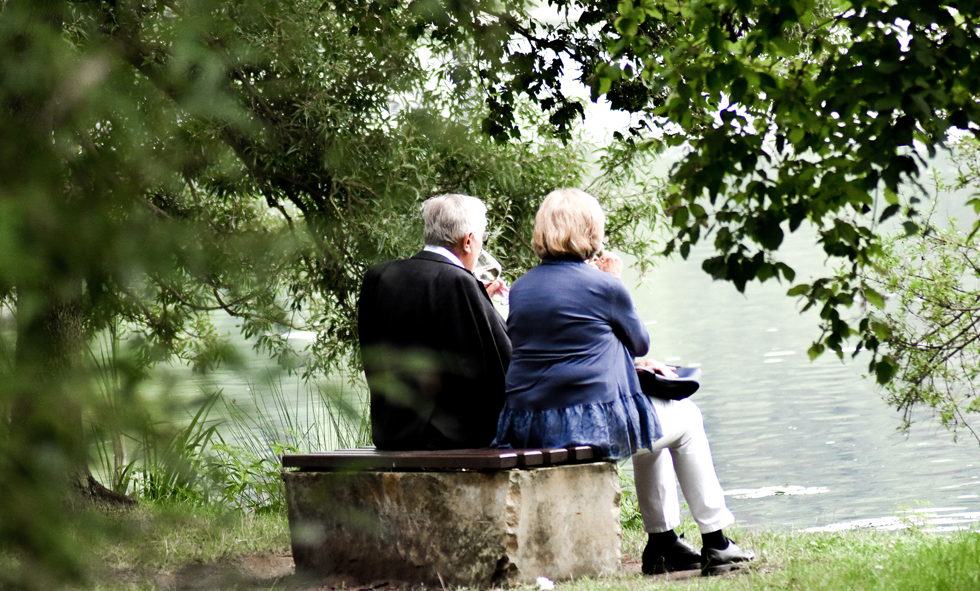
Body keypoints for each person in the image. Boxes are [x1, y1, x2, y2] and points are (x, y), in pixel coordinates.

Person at [494, 188, 754, 575]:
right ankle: (716, 540)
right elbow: (639, 342)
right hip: (585, 426)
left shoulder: (522, 288)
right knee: (686, 418)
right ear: (590, 231)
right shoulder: (604, 285)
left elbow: (570, 343)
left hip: (530, 423)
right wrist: (614, 281)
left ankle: (663, 541)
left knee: (654, 427)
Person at [358, 193, 511, 450]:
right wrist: (485, 303)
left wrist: (479, 296)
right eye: (482, 239)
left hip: (391, 434)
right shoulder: (458, 282)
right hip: (449, 439)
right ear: (469, 241)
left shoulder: (378, 277)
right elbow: (499, 363)